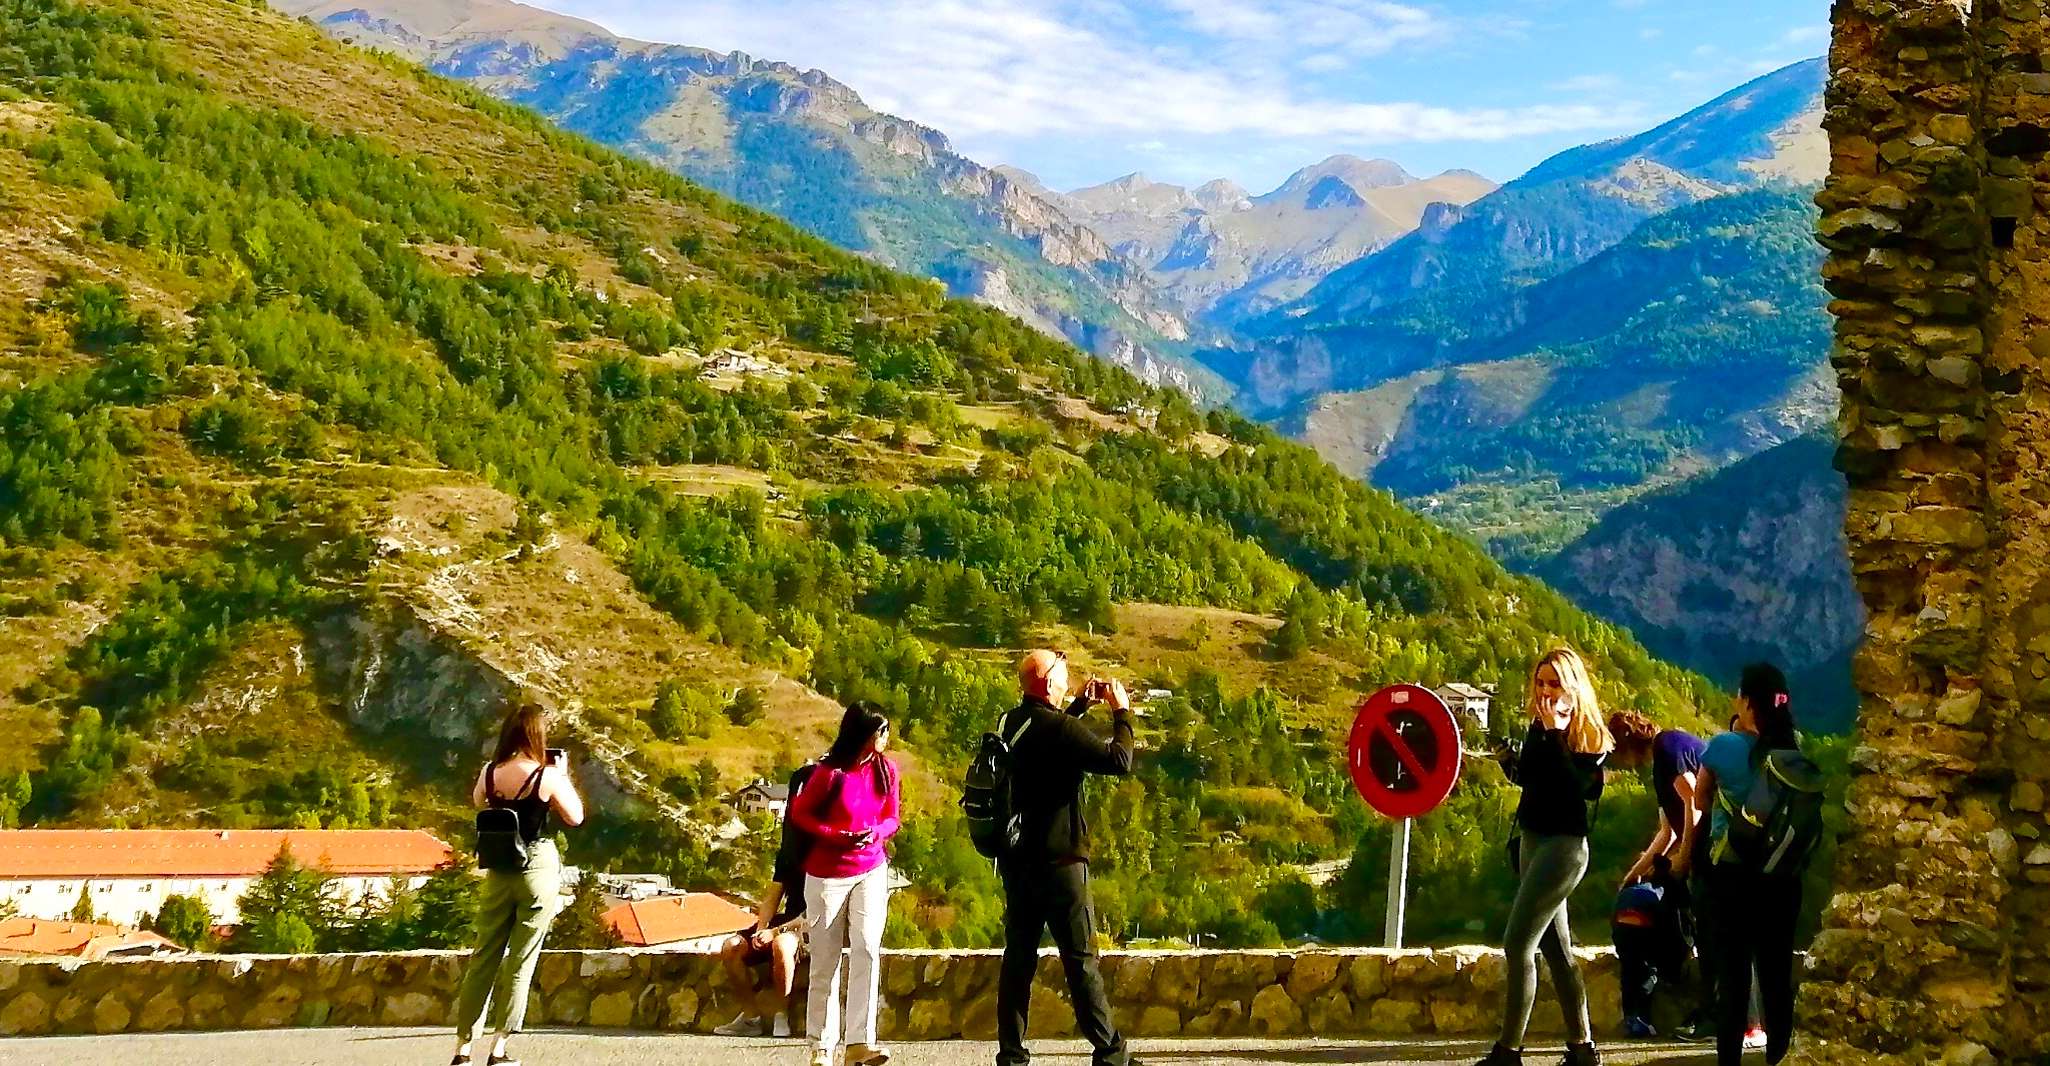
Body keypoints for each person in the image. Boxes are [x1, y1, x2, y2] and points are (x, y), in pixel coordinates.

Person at [996, 649, 1140, 1066]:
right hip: (1061, 864)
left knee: (1018, 961)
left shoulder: (1010, 723)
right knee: (1080, 962)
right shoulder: (1059, 729)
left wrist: (1078, 706)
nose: (1068, 673)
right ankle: (1110, 1053)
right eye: (1062, 668)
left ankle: (1012, 1055)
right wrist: (1121, 713)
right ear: (1048, 682)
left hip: (1019, 862)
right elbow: (1119, 761)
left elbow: (1045, 739)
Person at [1477, 647, 1613, 1066]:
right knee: (1558, 951)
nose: (1545, 691)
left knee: (1518, 943)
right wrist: (1508, 761)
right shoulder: (1538, 726)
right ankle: (1582, 1048)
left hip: (1563, 848)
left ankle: (1508, 1051)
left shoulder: (1588, 735)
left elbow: (1580, 790)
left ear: (1572, 687)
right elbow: (1534, 781)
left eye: (1554, 683)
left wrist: (1556, 734)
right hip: (1533, 840)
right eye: (1540, 683)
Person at [1675, 664, 1803, 1066]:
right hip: (1782, 876)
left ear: (1747, 702)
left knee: (1733, 978)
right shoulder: (1793, 748)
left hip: (1731, 876)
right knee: (1776, 977)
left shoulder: (1723, 745)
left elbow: (1700, 798)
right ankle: (1779, 1058)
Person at [452, 700, 585, 1066]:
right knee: (520, 959)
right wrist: (562, 775)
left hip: (499, 870)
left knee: (483, 957)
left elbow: (479, 802)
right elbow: (575, 816)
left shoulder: (490, 772)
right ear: (537, 735)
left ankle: (463, 1048)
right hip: (536, 866)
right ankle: (499, 1048)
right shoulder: (546, 776)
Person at [788, 703, 900, 1066]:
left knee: (867, 948)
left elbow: (892, 817)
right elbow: (801, 814)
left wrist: (876, 833)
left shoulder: (887, 770)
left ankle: (859, 1043)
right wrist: (836, 835)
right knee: (826, 960)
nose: (886, 737)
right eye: (881, 730)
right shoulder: (829, 773)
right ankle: (821, 1046)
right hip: (827, 876)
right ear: (863, 733)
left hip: (871, 869)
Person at [1607, 710, 1708, 1038]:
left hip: (1711, 848)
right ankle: (1646, 1006)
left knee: (1705, 928)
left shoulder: (1667, 747)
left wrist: (1684, 860)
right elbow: (1668, 831)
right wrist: (1635, 874)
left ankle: (1709, 1010)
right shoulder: (1661, 759)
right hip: (1701, 848)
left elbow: (1694, 804)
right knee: (1638, 902)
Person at [713, 762, 819, 1039]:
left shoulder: (827, 851)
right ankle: (751, 1017)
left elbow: (818, 911)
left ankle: (781, 1014)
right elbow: (774, 895)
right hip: (788, 920)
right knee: (732, 947)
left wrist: (775, 932)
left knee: (782, 946)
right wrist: (762, 928)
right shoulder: (791, 849)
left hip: (813, 925)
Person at [1611, 867, 1688, 1040]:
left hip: (1624, 919)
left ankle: (1631, 1019)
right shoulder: (1665, 889)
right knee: (1650, 970)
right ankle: (1641, 1019)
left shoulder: (1628, 889)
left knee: (1629, 970)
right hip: (1648, 920)